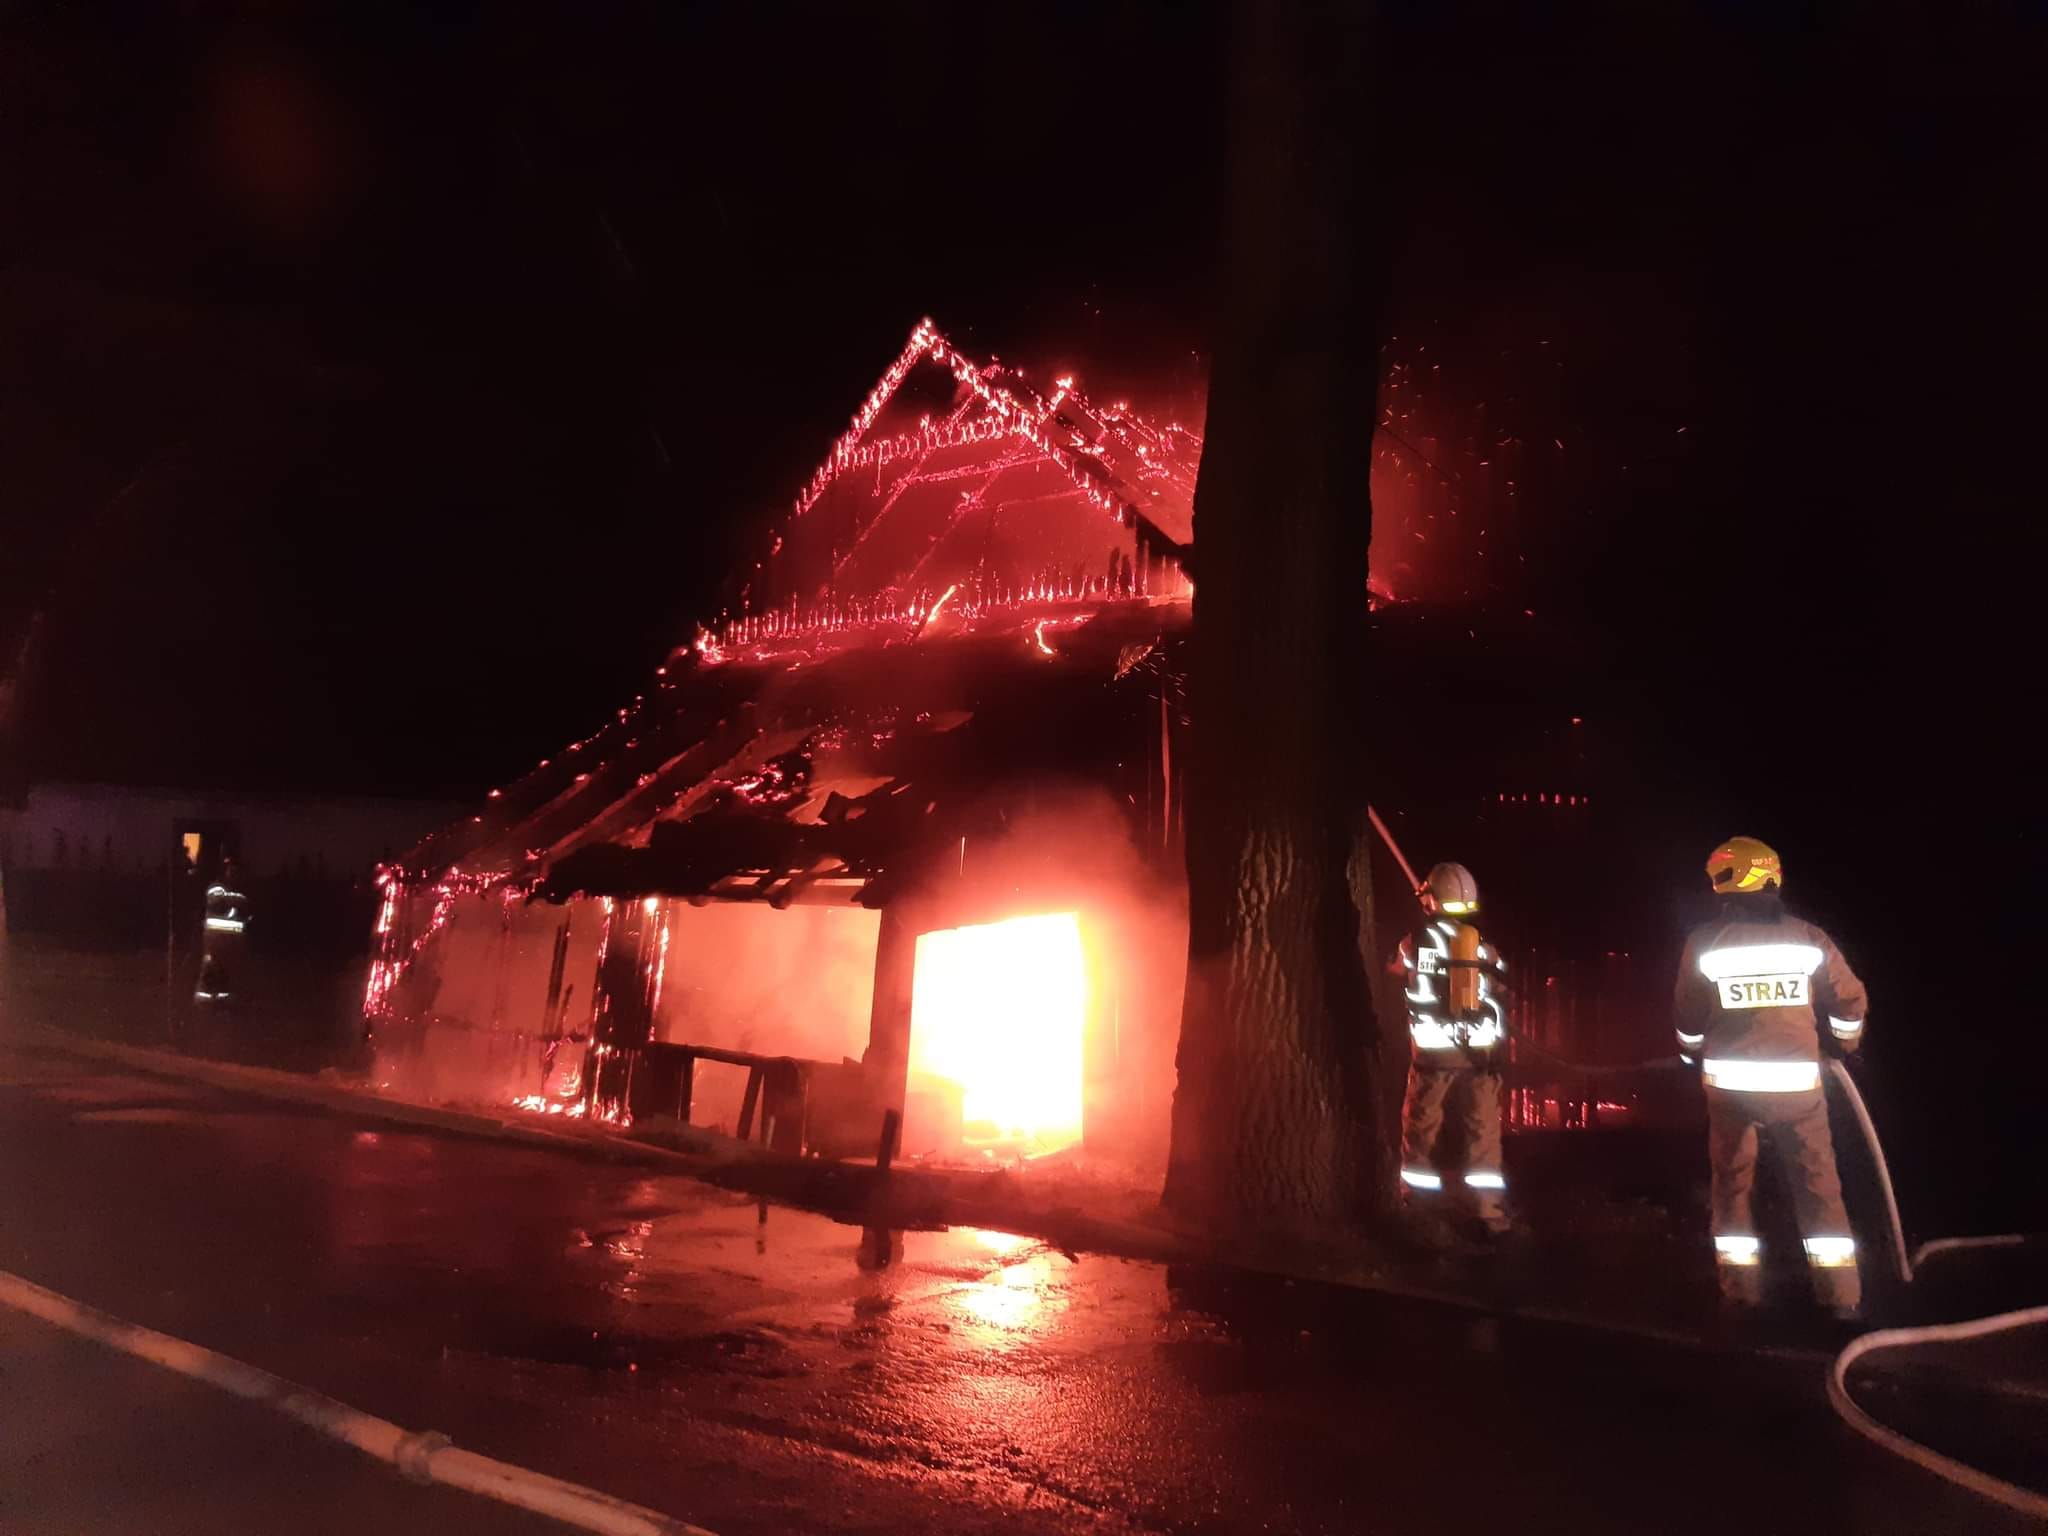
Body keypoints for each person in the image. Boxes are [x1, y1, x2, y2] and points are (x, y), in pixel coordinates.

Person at [1673, 836, 1868, 1317]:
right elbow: (1850, 1002)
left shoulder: (1704, 943)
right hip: (1798, 1091)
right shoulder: (1808, 939)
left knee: (1731, 1187)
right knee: (1818, 1188)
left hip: (1730, 1092)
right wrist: (1843, 1044)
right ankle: (1841, 1299)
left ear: (1726, 884)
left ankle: (1741, 1292)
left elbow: (1688, 1018)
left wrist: (1689, 1056)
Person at [1396, 861, 1511, 1237]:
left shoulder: (1415, 943)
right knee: (1483, 1134)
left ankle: (1417, 1209)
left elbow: (1399, 971)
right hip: (1480, 1056)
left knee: (1422, 1131)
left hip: (1434, 1055)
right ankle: (1489, 1215)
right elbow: (1500, 986)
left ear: (1431, 899)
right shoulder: (1482, 946)